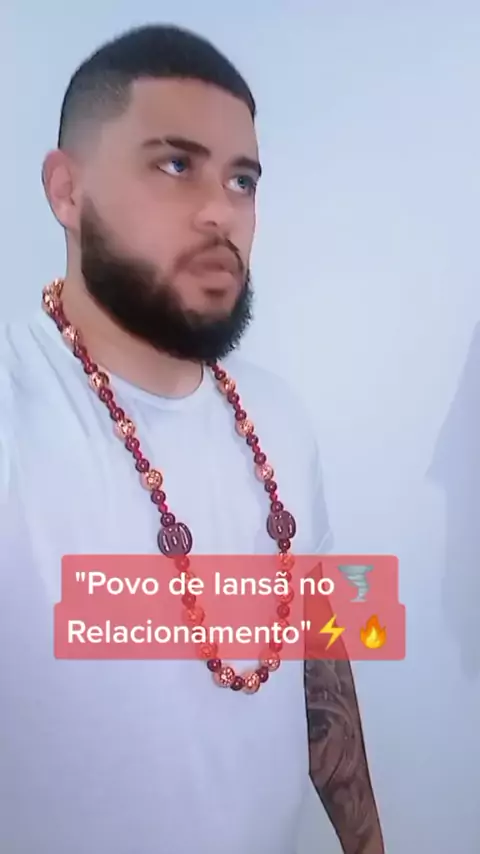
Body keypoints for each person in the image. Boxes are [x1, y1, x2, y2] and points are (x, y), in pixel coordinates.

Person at [0, 24, 384, 854]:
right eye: (176, 165)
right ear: (66, 191)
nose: (221, 211)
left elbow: (322, 658)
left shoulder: (283, 419)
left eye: (242, 179)